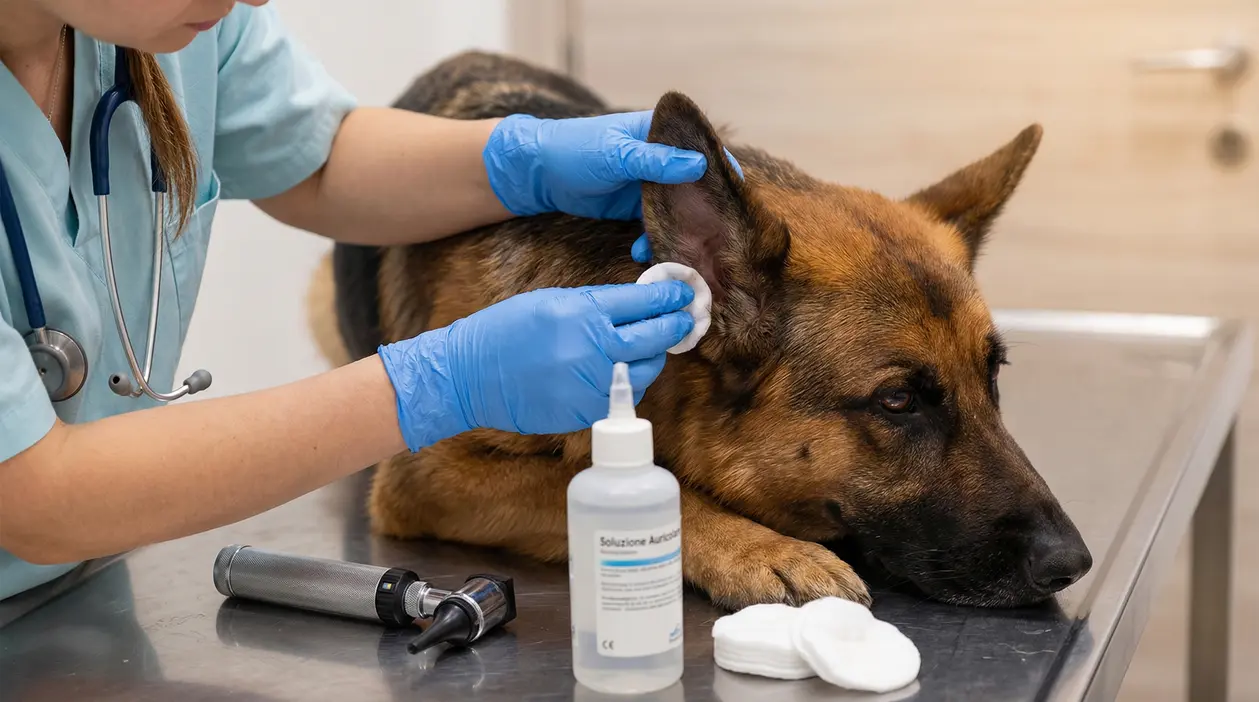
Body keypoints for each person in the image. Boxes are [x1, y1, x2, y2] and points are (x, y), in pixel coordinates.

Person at [0, 0, 721, 604]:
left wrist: (518, 161)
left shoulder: (165, 28)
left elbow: (317, 161)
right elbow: (37, 495)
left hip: (86, 593)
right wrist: (437, 385)